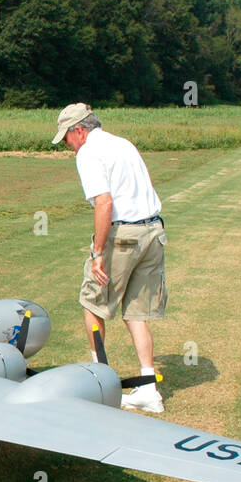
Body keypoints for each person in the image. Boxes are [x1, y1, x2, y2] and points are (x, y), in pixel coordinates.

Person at [53, 102, 168, 414]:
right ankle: (148, 391)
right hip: (153, 232)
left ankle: (99, 383)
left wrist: (98, 253)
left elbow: (104, 203)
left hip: (125, 236)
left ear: (79, 130)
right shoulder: (123, 143)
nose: (66, 144)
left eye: (66, 137)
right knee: (136, 313)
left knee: (92, 304)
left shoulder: (88, 153)